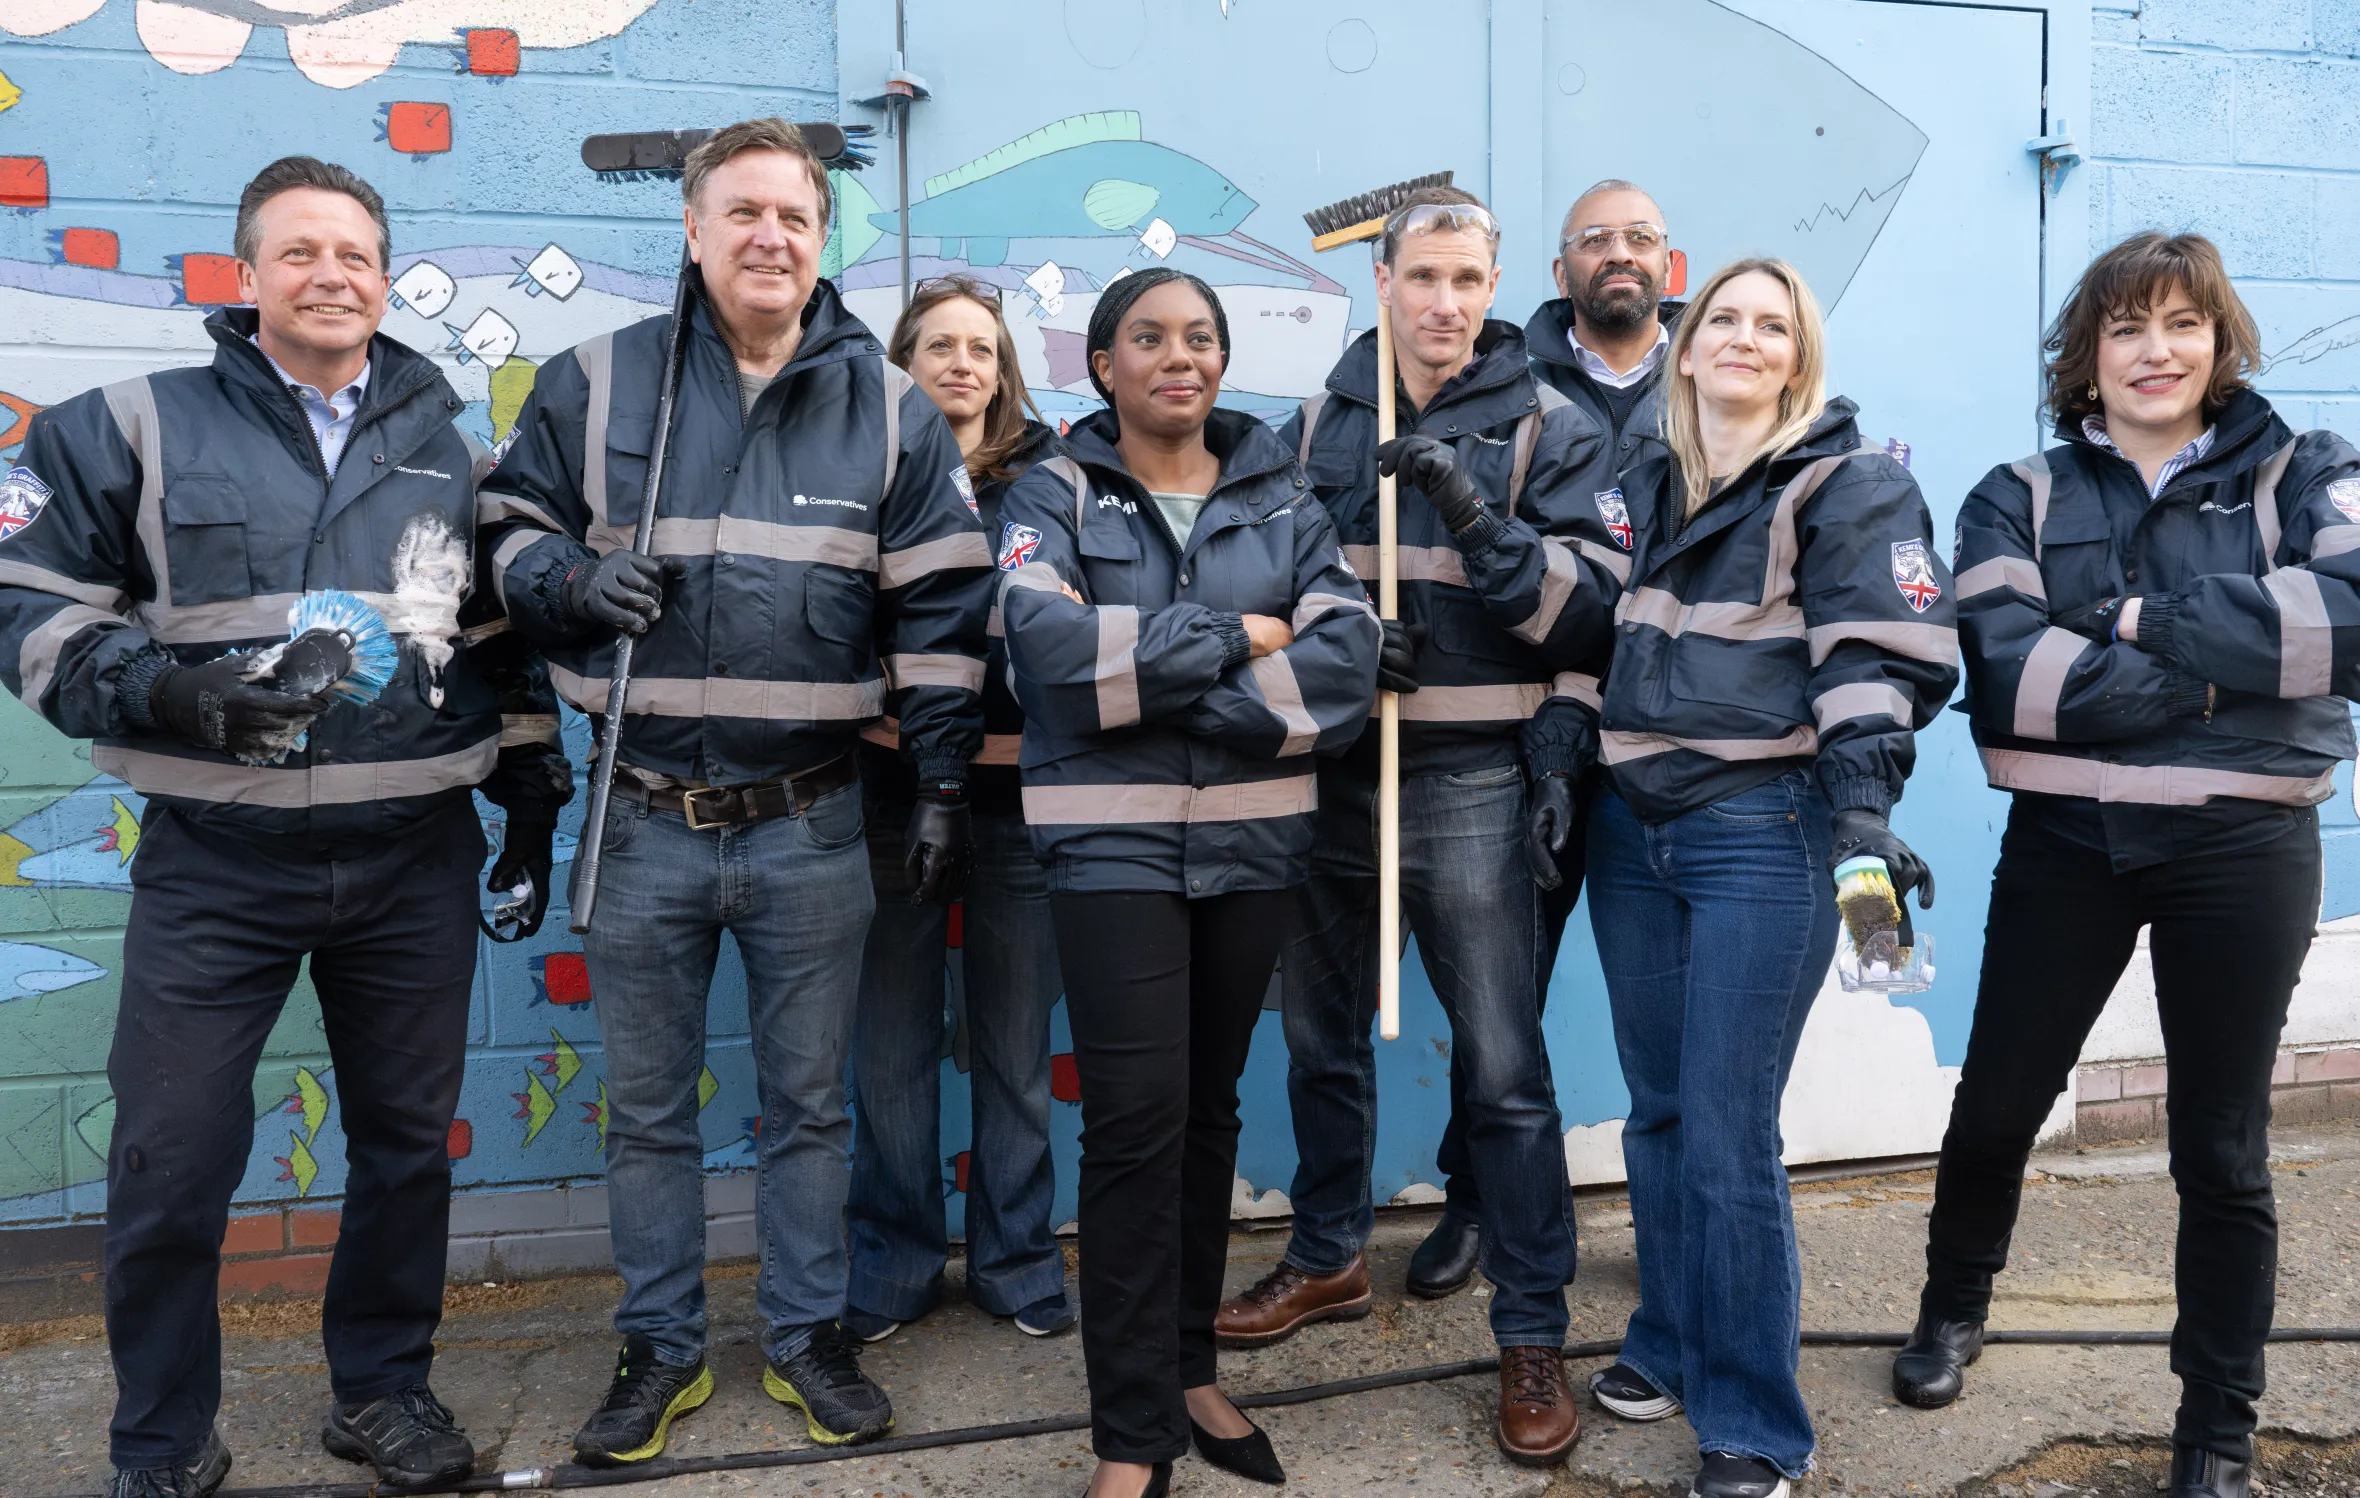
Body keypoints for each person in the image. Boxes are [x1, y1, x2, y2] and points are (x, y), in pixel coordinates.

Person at [0, 156, 569, 1498]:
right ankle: (163, 1437)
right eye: (300, 252)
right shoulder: (127, 427)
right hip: (219, 864)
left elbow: (495, 635)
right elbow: (28, 604)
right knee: (169, 1158)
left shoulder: (451, 445)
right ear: (245, 273)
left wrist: (529, 794)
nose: (330, 276)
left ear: (384, 278)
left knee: (406, 1148)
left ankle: (381, 1389)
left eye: (354, 254)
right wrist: (169, 691)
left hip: (411, 856)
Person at [478, 119, 992, 1460]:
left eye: (795, 217)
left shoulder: (888, 408)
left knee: (810, 1108)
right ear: (694, 229)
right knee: (648, 1112)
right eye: (745, 212)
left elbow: (945, 604)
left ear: (822, 241)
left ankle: (807, 1334)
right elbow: (505, 529)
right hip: (639, 816)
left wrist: (942, 776)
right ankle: (659, 1346)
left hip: (811, 821)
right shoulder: (597, 383)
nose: (771, 237)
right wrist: (568, 583)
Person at [1901, 232, 2360, 1498]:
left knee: (2220, 1147)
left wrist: (2126, 620)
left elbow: (2351, 623)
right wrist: (2228, 675)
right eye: (2123, 328)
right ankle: (1950, 1308)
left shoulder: (2306, 470)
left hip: (2243, 847)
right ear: (2084, 355)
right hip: (2069, 841)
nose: (2152, 351)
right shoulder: (2015, 493)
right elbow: (2007, 672)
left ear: (2217, 341)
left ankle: (2215, 1422)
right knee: (1997, 1102)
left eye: (2179, 324)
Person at [1215, 186, 1620, 1469]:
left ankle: (1531, 1326)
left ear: (1493, 288)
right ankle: (1327, 1254)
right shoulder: (1308, 425)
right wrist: (1337, 644)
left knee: (1500, 1067)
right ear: (1380, 280)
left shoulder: (1549, 425)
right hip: (1332, 773)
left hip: (1470, 782)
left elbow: (1587, 612)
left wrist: (1468, 513)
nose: (1444, 302)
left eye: (1466, 280)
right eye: (1423, 277)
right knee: (1319, 1040)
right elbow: (1253, 581)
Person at [996, 267, 1379, 1498]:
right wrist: (1234, 638)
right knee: (1133, 1126)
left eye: (1200, 337)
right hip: (1109, 849)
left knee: (1208, 1111)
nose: (1180, 356)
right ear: (1102, 363)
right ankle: (1131, 1435)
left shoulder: (1282, 495)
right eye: (1149, 337)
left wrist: (1154, 687)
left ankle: (1189, 1365)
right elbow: (1045, 656)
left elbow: (1344, 661)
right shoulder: (1050, 491)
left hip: (1254, 848)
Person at [1583, 257, 1956, 1498]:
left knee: (1725, 1128)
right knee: (1657, 1111)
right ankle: (1669, 1337)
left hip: (1763, 827)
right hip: (1630, 833)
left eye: (1772, 326)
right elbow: (1590, 640)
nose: (1743, 338)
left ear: (1797, 359)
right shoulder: (1641, 483)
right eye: (1723, 320)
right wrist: (1558, 759)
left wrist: (1861, 805)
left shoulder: (1848, 484)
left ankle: (1751, 1423)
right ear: (1684, 347)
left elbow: (1873, 655)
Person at [845, 274, 1073, 1343]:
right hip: (889, 792)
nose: (962, 364)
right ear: (901, 364)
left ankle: (1015, 1260)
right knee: (889, 1047)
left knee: (1013, 1047)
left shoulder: (1050, 481)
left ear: (1004, 370)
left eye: (981, 348)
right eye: (938, 345)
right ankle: (893, 1263)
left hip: (1019, 796)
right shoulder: (863, 471)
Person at [1521, 178, 1683, 964]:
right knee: (1506, 997)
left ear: (1669, 264)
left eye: (1639, 237)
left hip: (1676, 726)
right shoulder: (1506, 386)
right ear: (1562, 273)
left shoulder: (1723, 379)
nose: (1619, 253)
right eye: (1594, 240)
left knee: (1676, 994)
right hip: (1530, 731)